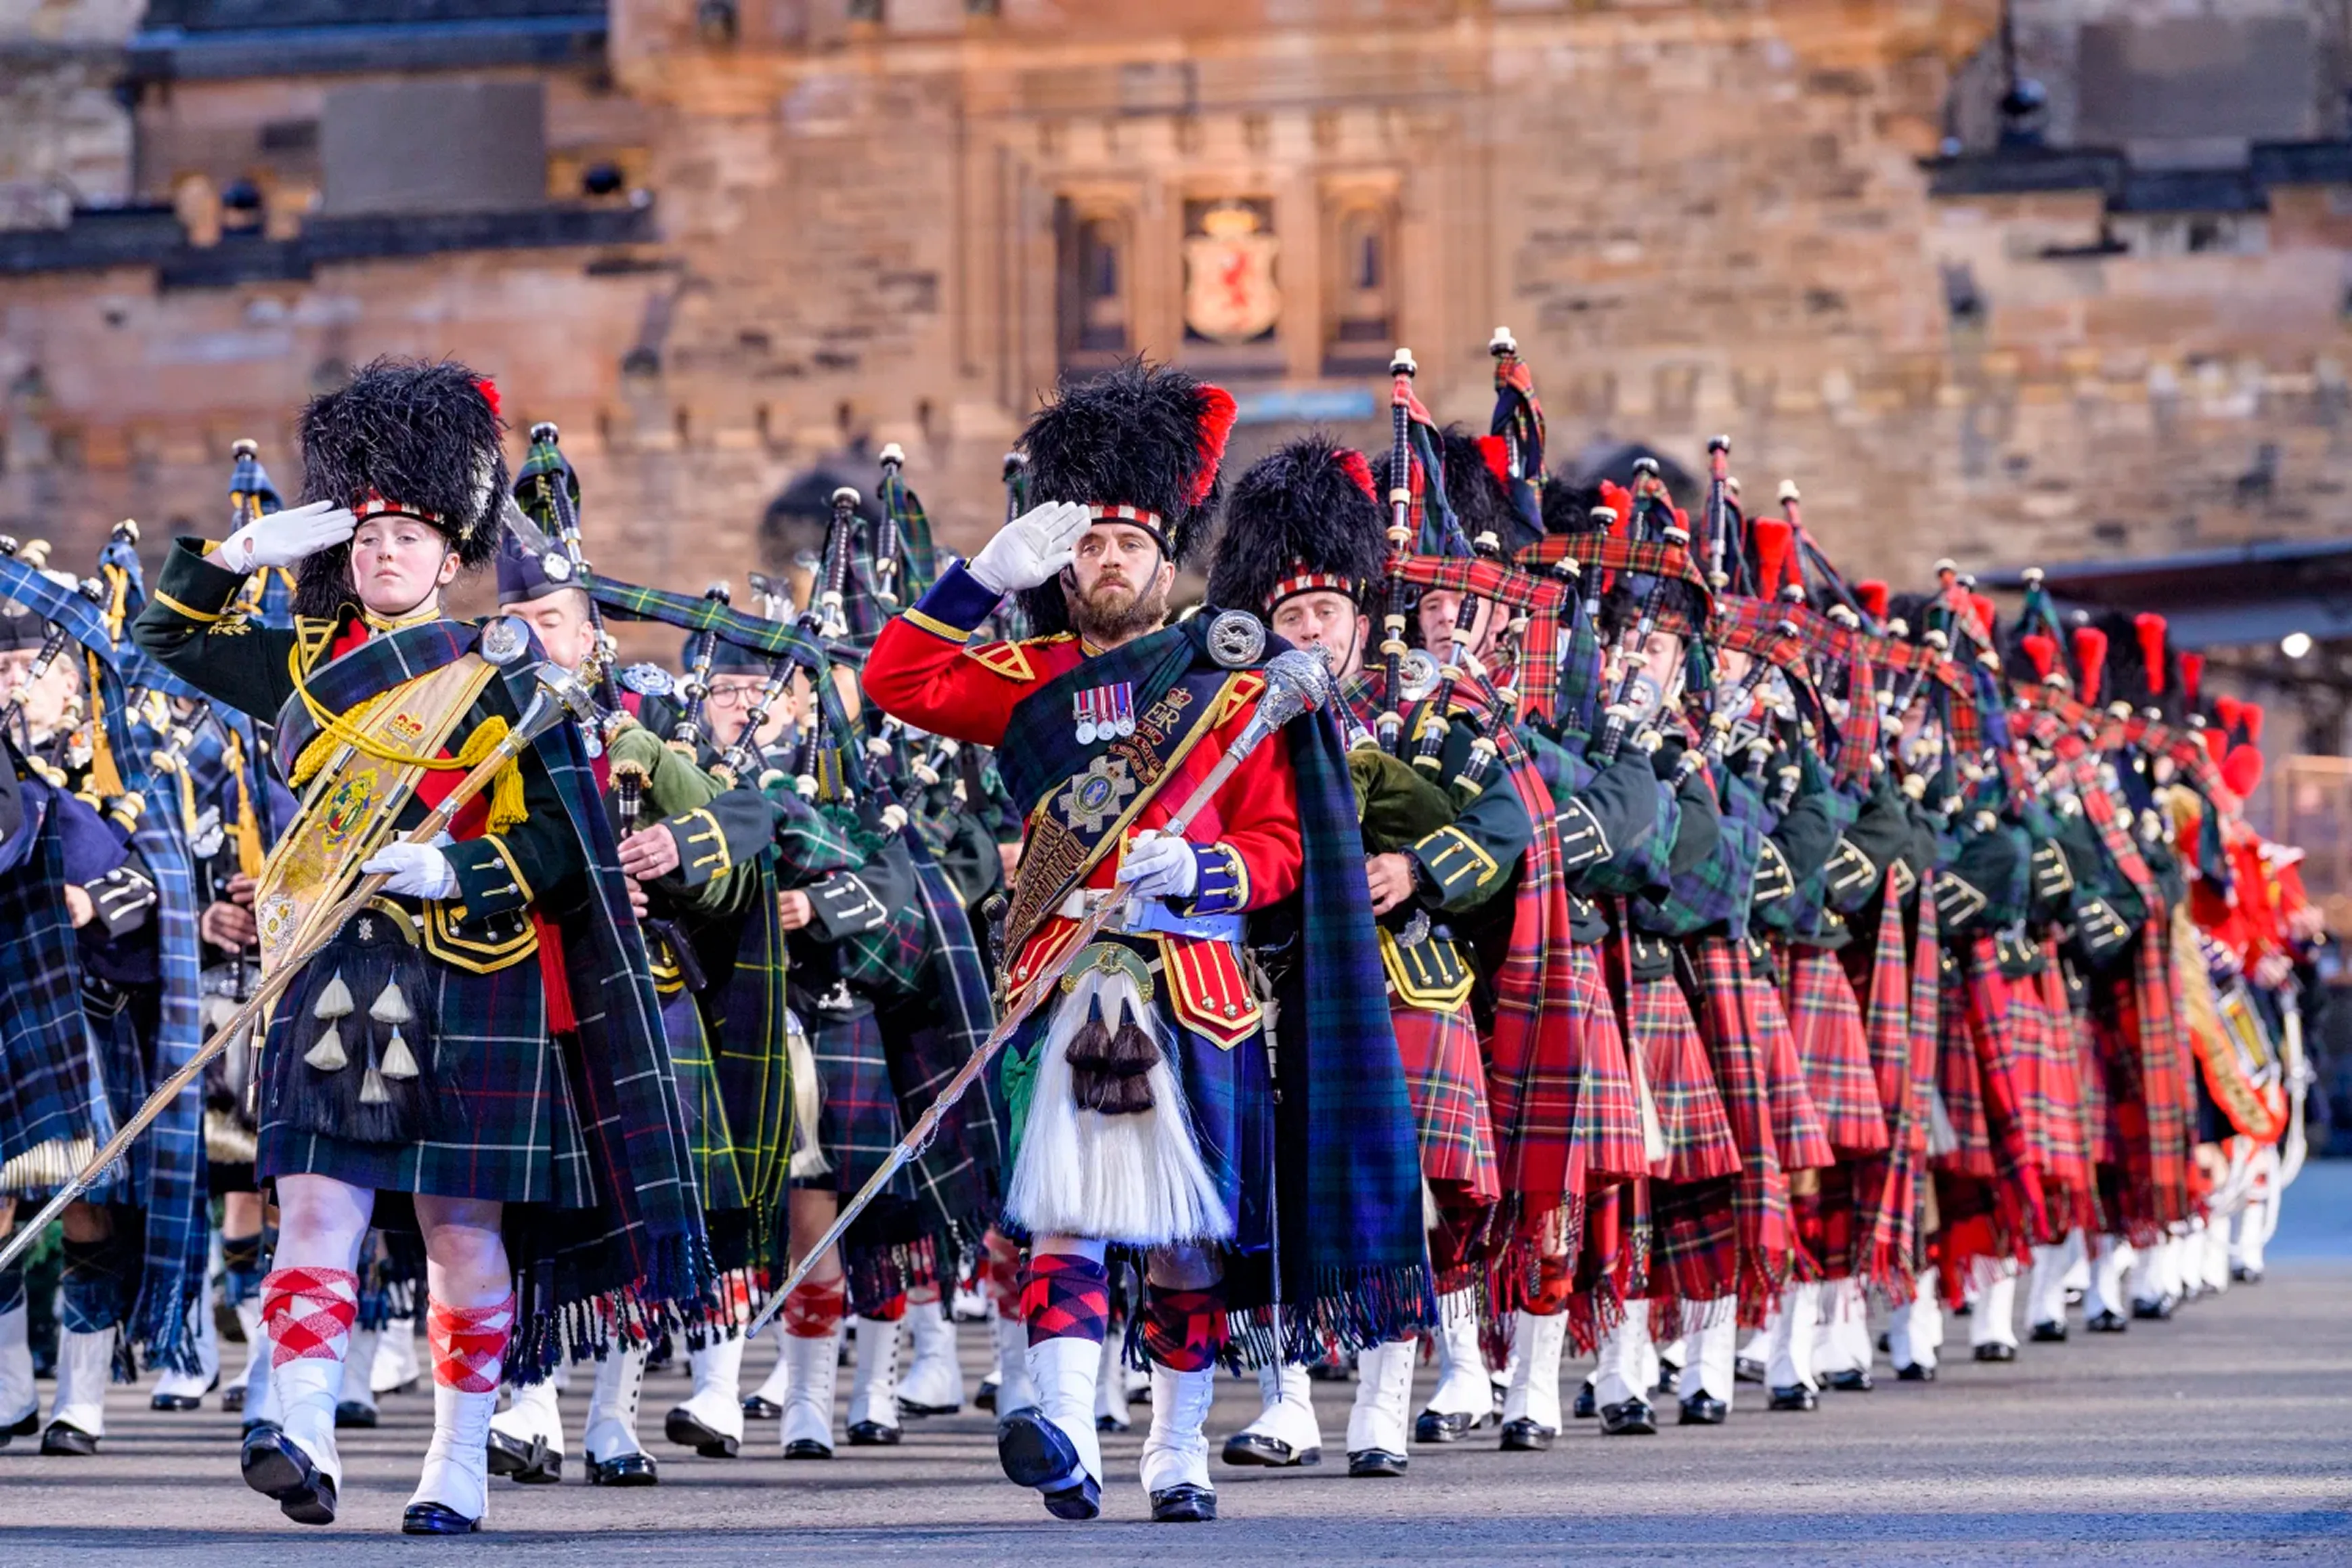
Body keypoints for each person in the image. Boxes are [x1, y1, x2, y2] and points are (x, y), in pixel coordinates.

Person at [133, 357, 707, 1534]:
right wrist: (231, 561)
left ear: (453, 559)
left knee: (459, 1231)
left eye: (410, 535)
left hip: (475, 968)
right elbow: (169, 645)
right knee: (315, 1209)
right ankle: (294, 1425)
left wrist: (455, 866)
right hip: (337, 964)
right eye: (368, 533)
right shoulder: (302, 663)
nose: (385, 552)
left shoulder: (505, 677)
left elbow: (562, 840)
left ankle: (457, 1465)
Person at [863, 360, 1430, 1523]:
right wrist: (979, 578)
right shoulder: (1020, 679)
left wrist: (1205, 868)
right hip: (1068, 971)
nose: (1105, 563)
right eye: (1085, 548)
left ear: (1169, 563)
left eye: (1127, 546)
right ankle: (1066, 1428)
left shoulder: (1231, 683)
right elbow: (896, 679)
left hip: (1193, 975)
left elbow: (1285, 848)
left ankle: (1177, 1448)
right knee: (1067, 1210)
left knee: (1182, 1239)